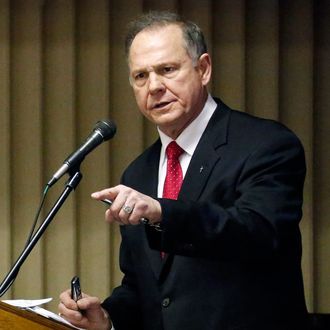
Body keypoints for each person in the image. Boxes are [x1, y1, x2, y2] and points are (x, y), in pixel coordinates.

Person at [58, 11, 309, 330]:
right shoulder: (138, 173)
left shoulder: (266, 144)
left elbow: (258, 233)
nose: (154, 86)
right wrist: (108, 317)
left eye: (167, 70)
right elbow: (146, 287)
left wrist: (163, 212)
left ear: (203, 69)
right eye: (140, 76)